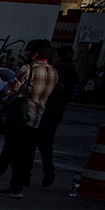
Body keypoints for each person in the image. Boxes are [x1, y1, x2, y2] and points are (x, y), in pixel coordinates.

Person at [0, 39, 59, 198]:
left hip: (20, 116)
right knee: (12, 150)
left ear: (34, 53)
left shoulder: (28, 68)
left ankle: (16, 187)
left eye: (29, 52)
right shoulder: (53, 72)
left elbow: (11, 88)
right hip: (37, 118)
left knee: (16, 152)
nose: (27, 55)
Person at [34, 46, 77, 187]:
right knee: (46, 144)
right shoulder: (72, 72)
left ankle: (26, 174)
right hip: (57, 113)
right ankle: (48, 171)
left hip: (45, 110)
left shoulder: (54, 71)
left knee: (32, 140)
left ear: (58, 56)